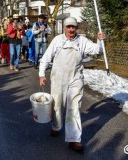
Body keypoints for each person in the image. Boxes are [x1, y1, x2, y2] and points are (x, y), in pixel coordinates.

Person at [38, 17, 106, 152]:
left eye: (73, 27)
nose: (71, 29)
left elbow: (97, 50)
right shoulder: (57, 40)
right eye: (68, 27)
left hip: (76, 78)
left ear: (76, 28)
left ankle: (74, 139)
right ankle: (56, 127)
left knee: (74, 107)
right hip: (58, 78)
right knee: (57, 104)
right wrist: (41, 74)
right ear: (64, 27)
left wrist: (100, 40)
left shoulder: (82, 41)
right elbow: (46, 58)